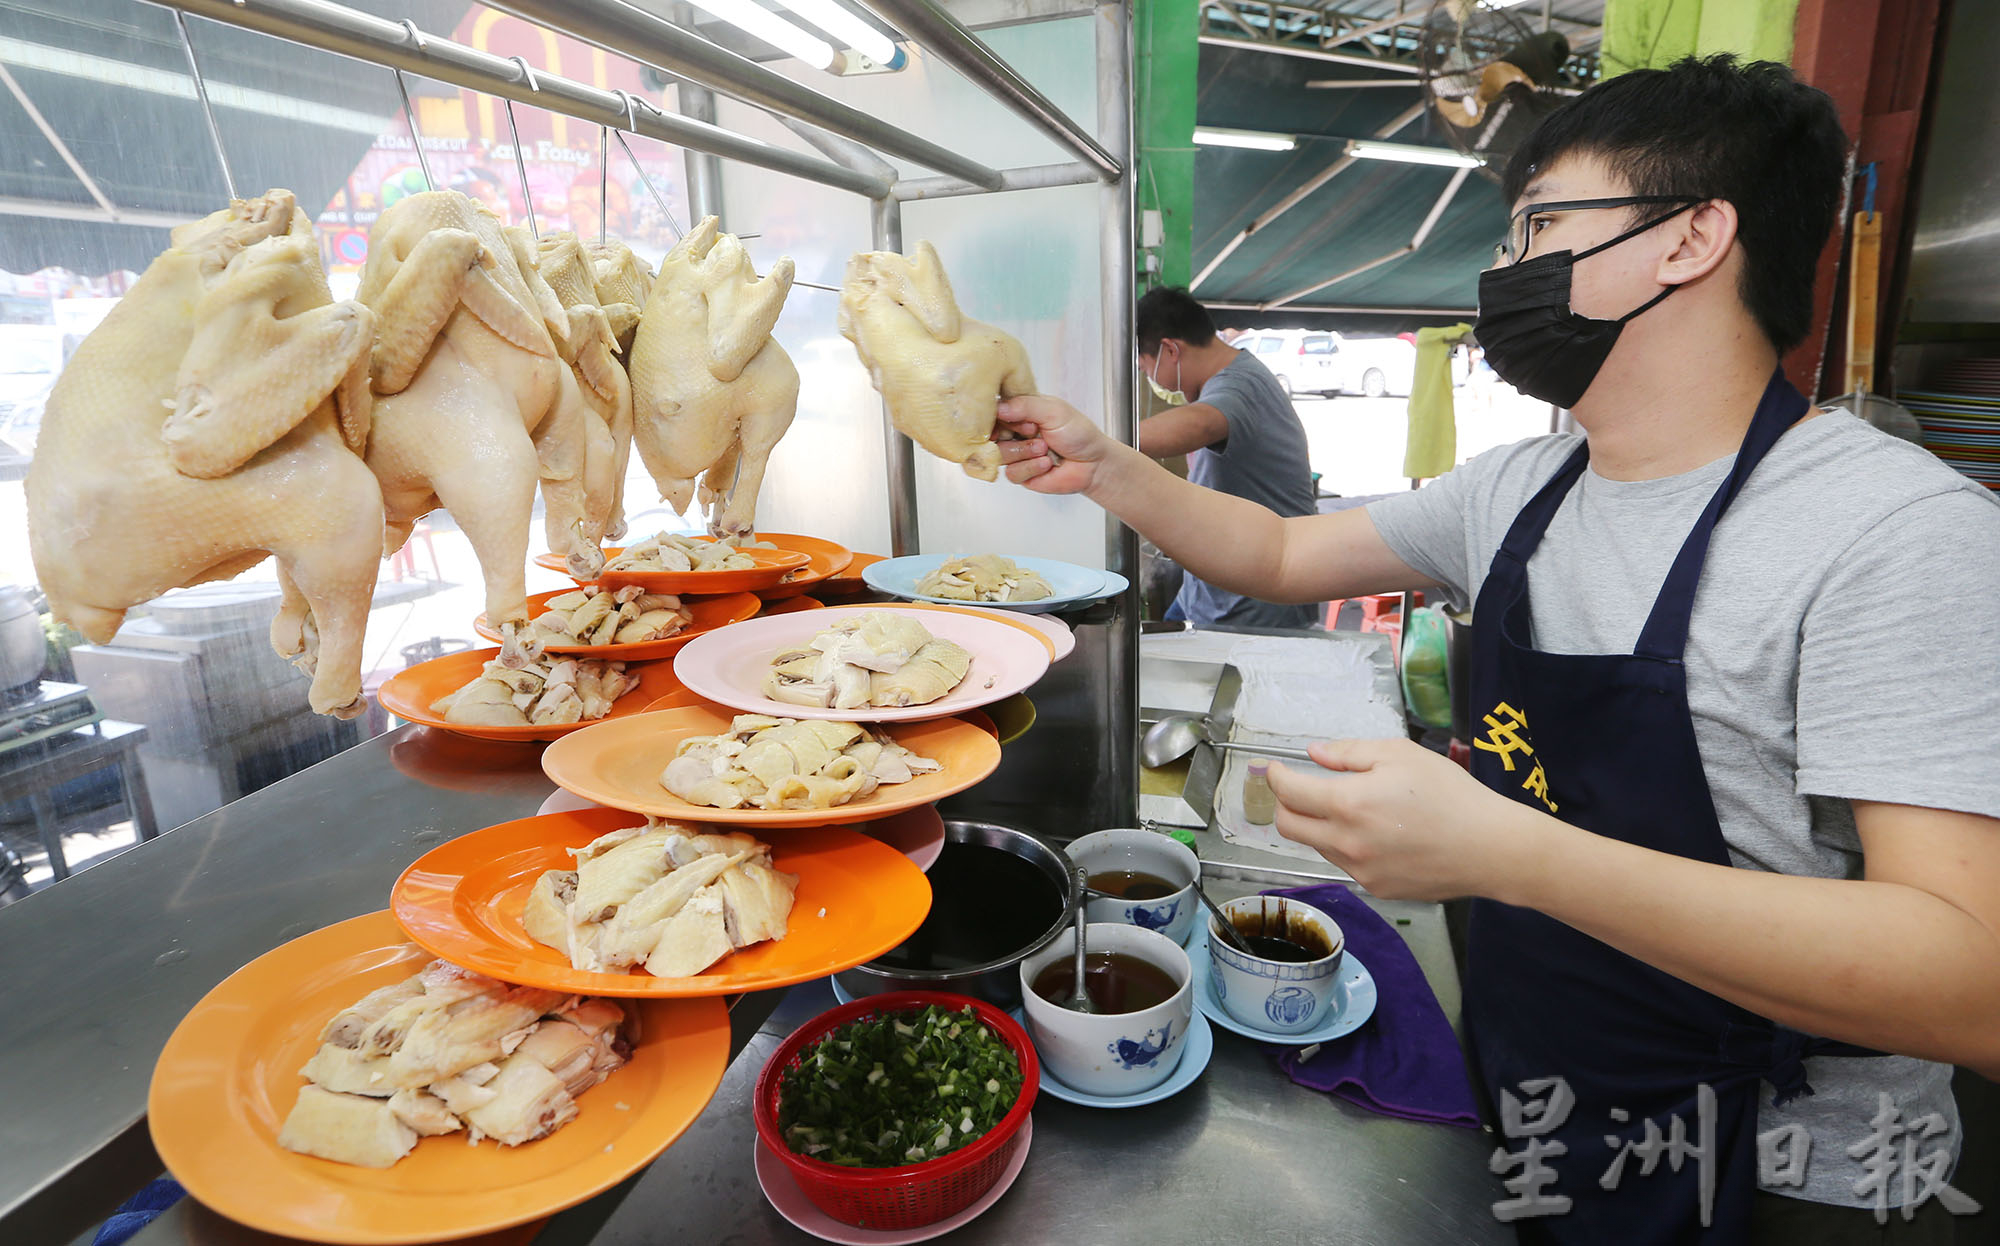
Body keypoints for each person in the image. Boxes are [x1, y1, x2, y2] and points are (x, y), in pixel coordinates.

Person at [995, 55, 2000, 1244]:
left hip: (1784, 1173)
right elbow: (1270, 552)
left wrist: (1504, 851)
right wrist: (1106, 463)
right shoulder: (1523, 487)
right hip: (1542, 1089)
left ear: (1689, 238)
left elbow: (1967, 980)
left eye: (1535, 226)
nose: (1503, 269)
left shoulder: (1891, 534)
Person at [1133, 288, 1321, 629]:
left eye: (1146, 369)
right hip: (1207, 593)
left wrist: (1099, 440)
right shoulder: (1234, 377)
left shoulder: (1240, 384)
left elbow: (1201, 424)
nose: (1150, 380)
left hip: (1257, 604)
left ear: (1170, 350)